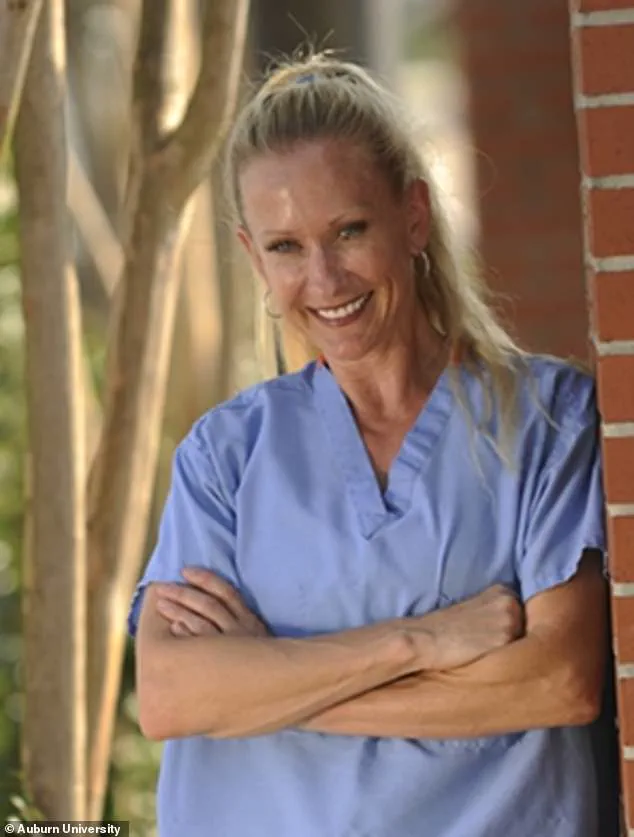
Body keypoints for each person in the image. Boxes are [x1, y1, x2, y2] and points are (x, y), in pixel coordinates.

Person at [129, 54, 609, 837]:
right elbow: (171, 695)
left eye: (348, 231)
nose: (323, 279)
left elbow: (559, 682)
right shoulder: (226, 456)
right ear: (253, 257)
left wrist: (271, 686)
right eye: (285, 247)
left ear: (414, 216)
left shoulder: (545, 420)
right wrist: (418, 641)